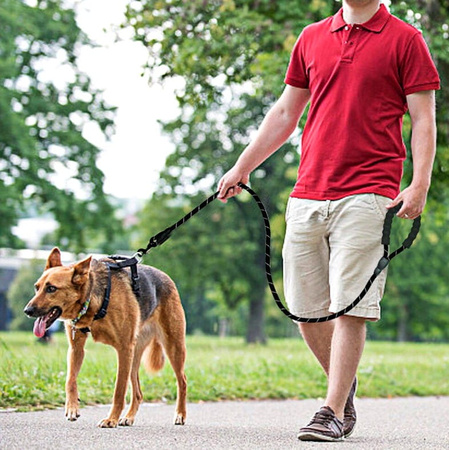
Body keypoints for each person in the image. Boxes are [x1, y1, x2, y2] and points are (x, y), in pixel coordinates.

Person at [217, 0, 439, 442]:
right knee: (304, 309)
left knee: (350, 306)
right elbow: (285, 113)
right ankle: (345, 385)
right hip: (307, 191)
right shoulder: (311, 37)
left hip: (370, 191)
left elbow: (423, 118)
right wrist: (242, 166)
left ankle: (332, 409)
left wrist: (419, 183)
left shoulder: (407, 40)